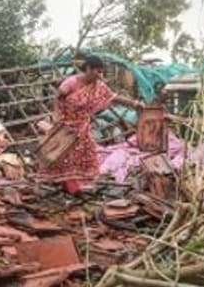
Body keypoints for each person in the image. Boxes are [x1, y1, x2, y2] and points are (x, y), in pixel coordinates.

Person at [44, 52, 146, 194]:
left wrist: (134, 103)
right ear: (89, 69)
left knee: (87, 155)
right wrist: (56, 117)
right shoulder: (71, 82)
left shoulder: (99, 86)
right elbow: (57, 98)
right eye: (97, 71)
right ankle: (67, 184)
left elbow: (114, 97)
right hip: (66, 125)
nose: (100, 75)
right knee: (65, 156)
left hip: (82, 125)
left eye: (101, 72)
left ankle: (78, 185)